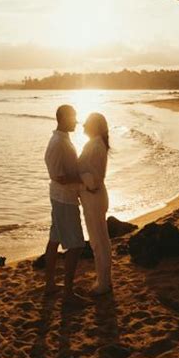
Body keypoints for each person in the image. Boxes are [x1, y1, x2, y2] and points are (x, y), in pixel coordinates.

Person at [44, 104, 85, 305]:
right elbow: (58, 176)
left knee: (55, 237)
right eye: (73, 117)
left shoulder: (63, 139)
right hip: (64, 199)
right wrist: (83, 179)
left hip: (62, 197)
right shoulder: (57, 143)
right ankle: (68, 294)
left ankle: (50, 285)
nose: (76, 121)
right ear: (62, 119)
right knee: (76, 244)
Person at [78, 112, 113, 295]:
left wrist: (77, 177)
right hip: (95, 197)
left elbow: (95, 179)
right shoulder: (95, 144)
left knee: (98, 242)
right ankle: (105, 280)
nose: (83, 125)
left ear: (95, 126)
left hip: (94, 197)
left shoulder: (96, 146)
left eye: (87, 122)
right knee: (101, 241)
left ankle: (103, 283)